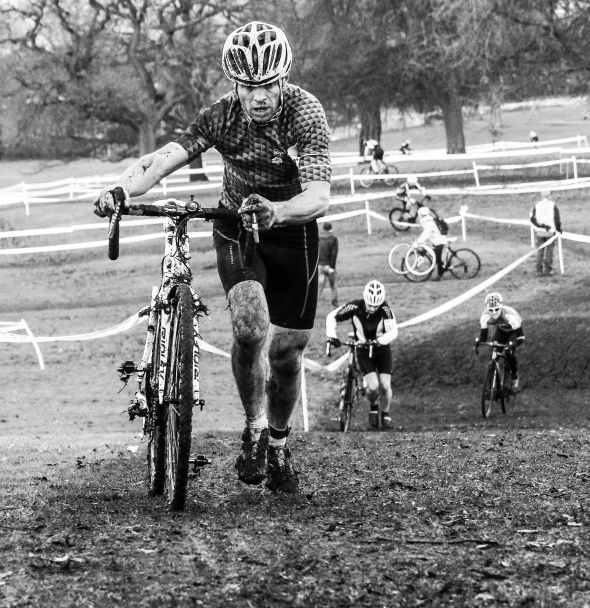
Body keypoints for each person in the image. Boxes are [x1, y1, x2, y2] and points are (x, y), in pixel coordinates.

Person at [93, 20, 331, 493]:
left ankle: (279, 444)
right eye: (248, 87)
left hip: (292, 228)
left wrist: (278, 211)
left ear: (283, 79)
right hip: (236, 224)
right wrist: (121, 189)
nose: (258, 96)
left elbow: (319, 195)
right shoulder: (222, 116)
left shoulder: (305, 113)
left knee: (286, 354)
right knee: (249, 327)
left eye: (268, 85)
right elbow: (164, 158)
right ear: (234, 84)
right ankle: (255, 430)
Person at [326, 280, 399, 428]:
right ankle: (373, 406)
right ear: (365, 299)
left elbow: (393, 332)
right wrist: (332, 336)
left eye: (376, 306)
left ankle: (385, 413)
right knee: (373, 386)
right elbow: (332, 317)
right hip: (363, 350)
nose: (372, 308)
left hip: (382, 350)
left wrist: (378, 341)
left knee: (385, 385)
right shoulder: (355, 306)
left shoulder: (385, 310)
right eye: (369, 304)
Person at [473, 292, 525, 392]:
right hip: (502, 330)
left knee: (508, 352)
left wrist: (514, 344)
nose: (493, 312)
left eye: (496, 309)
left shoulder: (510, 316)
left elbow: (521, 337)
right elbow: (483, 337)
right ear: (487, 309)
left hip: (514, 331)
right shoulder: (485, 316)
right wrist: (479, 341)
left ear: (501, 307)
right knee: (494, 350)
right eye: (491, 310)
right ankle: (490, 386)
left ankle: (514, 377)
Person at [529, 189, 562, 277]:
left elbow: (532, 219)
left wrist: (540, 226)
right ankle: (548, 269)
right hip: (550, 231)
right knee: (549, 251)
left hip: (540, 232)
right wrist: (558, 230)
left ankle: (539, 270)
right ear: (549, 195)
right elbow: (556, 219)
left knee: (540, 251)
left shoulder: (537, 205)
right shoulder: (552, 205)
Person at [415, 204, 451, 280]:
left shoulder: (429, 221)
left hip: (440, 241)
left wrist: (418, 241)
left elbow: (426, 234)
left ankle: (440, 275)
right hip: (438, 241)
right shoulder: (429, 220)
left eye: (419, 215)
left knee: (437, 259)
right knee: (435, 256)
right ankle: (443, 267)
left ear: (421, 215)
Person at [317, 222, 339, 307]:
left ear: (323, 229)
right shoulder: (333, 239)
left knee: (319, 287)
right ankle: (335, 304)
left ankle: (314, 304)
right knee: (333, 286)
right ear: (331, 229)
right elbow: (334, 254)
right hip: (329, 266)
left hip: (320, 266)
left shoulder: (319, 239)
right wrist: (332, 267)